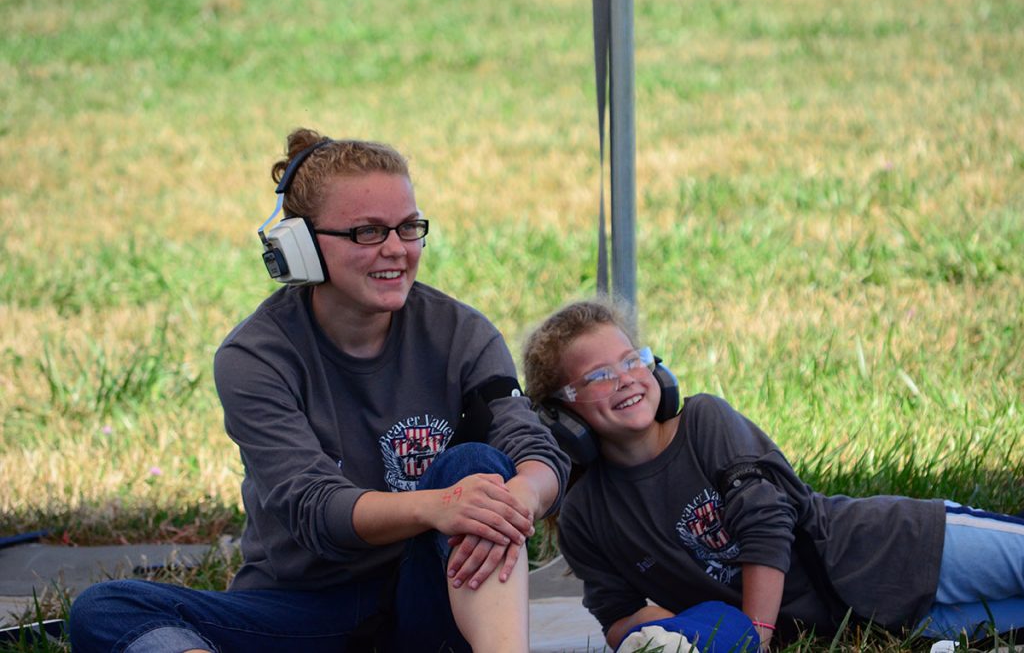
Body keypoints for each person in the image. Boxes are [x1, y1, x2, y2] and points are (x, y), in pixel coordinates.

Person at [68, 128, 570, 653]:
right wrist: (438, 505)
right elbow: (315, 509)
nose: (397, 249)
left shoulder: (461, 333)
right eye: (368, 232)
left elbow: (534, 451)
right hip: (302, 610)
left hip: (429, 597)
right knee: (105, 608)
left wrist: (513, 500)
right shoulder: (255, 355)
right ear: (300, 247)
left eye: (408, 227)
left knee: (475, 469)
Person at [521, 297, 1024, 652]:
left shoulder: (704, 422)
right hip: (869, 620)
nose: (626, 379)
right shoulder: (586, 513)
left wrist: (754, 635)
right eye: (600, 376)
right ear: (560, 415)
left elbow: (766, 524)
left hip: (903, 545)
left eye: (633, 361)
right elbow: (617, 615)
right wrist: (683, 637)